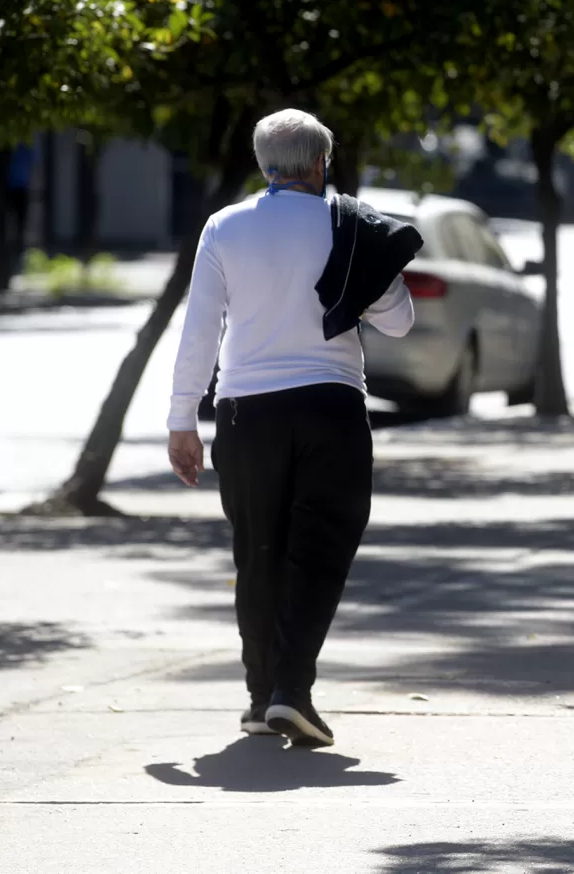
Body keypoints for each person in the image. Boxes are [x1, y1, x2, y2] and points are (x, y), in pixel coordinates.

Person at [167, 109, 416, 749]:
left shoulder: (225, 226)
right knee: (321, 547)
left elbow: (200, 329)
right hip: (331, 406)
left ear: (262, 164)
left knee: (258, 551)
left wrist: (181, 420)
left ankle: (260, 696)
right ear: (320, 163)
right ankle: (290, 691)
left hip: (246, 411)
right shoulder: (353, 225)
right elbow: (399, 321)